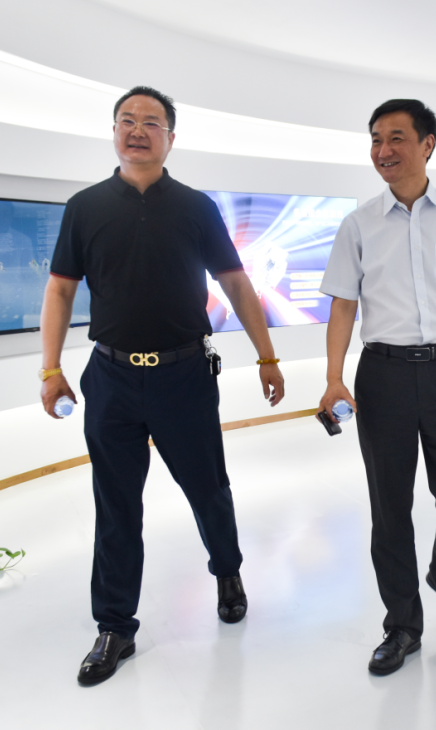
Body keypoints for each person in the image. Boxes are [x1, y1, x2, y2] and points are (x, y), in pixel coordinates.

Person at [39, 86, 286, 686]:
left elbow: (235, 281)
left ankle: (227, 571)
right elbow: (61, 289)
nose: (137, 130)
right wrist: (50, 368)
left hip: (184, 375)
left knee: (208, 488)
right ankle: (115, 626)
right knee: (116, 505)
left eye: (151, 122)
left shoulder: (196, 207)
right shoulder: (84, 207)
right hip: (112, 377)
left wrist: (267, 356)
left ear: (171, 137)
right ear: (114, 132)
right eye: (127, 120)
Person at [318, 99, 436, 676]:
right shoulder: (359, 224)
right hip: (384, 375)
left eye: (396, 137)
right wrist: (333, 377)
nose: (383, 150)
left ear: (428, 144)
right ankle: (402, 623)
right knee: (390, 506)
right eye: (376, 139)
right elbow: (343, 306)